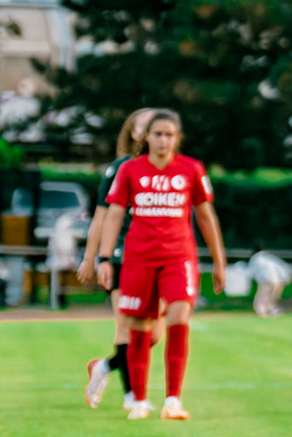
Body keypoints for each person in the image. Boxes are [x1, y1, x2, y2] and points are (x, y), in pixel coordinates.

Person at [92, 110, 227, 420]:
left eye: (169, 134)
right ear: (146, 138)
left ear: (177, 138)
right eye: (157, 134)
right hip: (138, 258)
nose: (163, 140)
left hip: (179, 257)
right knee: (139, 327)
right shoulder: (130, 170)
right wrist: (104, 258)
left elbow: (206, 216)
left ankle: (173, 400)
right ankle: (138, 400)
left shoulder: (191, 170)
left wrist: (220, 262)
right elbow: (113, 214)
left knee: (180, 315)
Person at [78, 108, 158, 408]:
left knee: (152, 335)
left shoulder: (170, 170)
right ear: (135, 133)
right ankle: (133, 396)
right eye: (144, 126)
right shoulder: (121, 168)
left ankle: (103, 367)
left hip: (157, 258)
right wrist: (94, 258)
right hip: (123, 256)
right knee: (126, 328)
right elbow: (101, 216)